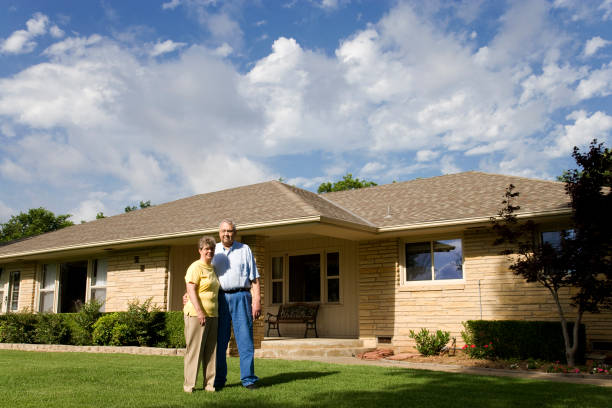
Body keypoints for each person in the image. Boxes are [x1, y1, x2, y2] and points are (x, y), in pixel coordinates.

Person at [213, 219, 261, 390]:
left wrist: (256, 301)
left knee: (245, 340)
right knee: (220, 341)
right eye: (224, 231)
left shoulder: (244, 249)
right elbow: (201, 276)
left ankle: (248, 379)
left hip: (242, 296)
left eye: (230, 231)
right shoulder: (214, 251)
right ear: (219, 233)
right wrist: (188, 294)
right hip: (220, 299)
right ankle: (218, 381)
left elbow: (254, 278)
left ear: (235, 232)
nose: (227, 234)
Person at [183, 235, 220, 393]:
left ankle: (209, 385)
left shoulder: (212, 268)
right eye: (206, 248)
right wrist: (199, 312)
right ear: (200, 250)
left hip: (213, 315)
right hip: (197, 314)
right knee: (195, 351)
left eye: (212, 248)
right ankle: (189, 385)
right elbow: (190, 289)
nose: (209, 251)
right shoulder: (195, 267)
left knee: (211, 352)